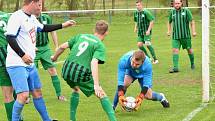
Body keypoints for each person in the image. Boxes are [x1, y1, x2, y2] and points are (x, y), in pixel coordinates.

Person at [5, 0, 75, 120]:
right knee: (23, 96)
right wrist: (22, 55)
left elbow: (43, 28)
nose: (40, 8)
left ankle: (47, 119)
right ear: (32, 2)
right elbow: (10, 37)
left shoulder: (31, 17)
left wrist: (63, 25)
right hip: (17, 63)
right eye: (39, 5)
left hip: (30, 64)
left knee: (37, 93)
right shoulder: (17, 17)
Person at [51, 20, 117, 121]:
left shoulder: (81, 36)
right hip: (79, 72)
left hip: (66, 69)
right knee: (102, 94)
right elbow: (94, 62)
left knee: (75, 88)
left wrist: (55, 57)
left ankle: (72, 119)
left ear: (94, 29)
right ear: (106, 32)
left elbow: (62, 46)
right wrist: (96, 85)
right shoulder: (99, 45)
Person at [34, 8, 66, 101]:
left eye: (40, 4)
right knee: (31, 73)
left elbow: (53, 31)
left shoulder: (46, 18)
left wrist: (56, 46)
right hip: (33, 49)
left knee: (52, 70)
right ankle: (28, 96)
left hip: (45, 48)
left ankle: (59, 95)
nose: (39, 7)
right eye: (37, 4)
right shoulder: (29, 19)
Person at [167, 0, 196, 73]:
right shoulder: (172, 12)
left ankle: (192, 64)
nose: (176, 5)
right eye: (175, 3)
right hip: (175, 36)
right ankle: (175, 68)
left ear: (181, 3)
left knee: (189, 50)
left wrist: (193, 31)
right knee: (175, 50)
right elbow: (169, 21)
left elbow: (192, 21)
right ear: (173, 4)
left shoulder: (186, 11)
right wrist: (169, 31)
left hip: (185, 36)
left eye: (178, 3)